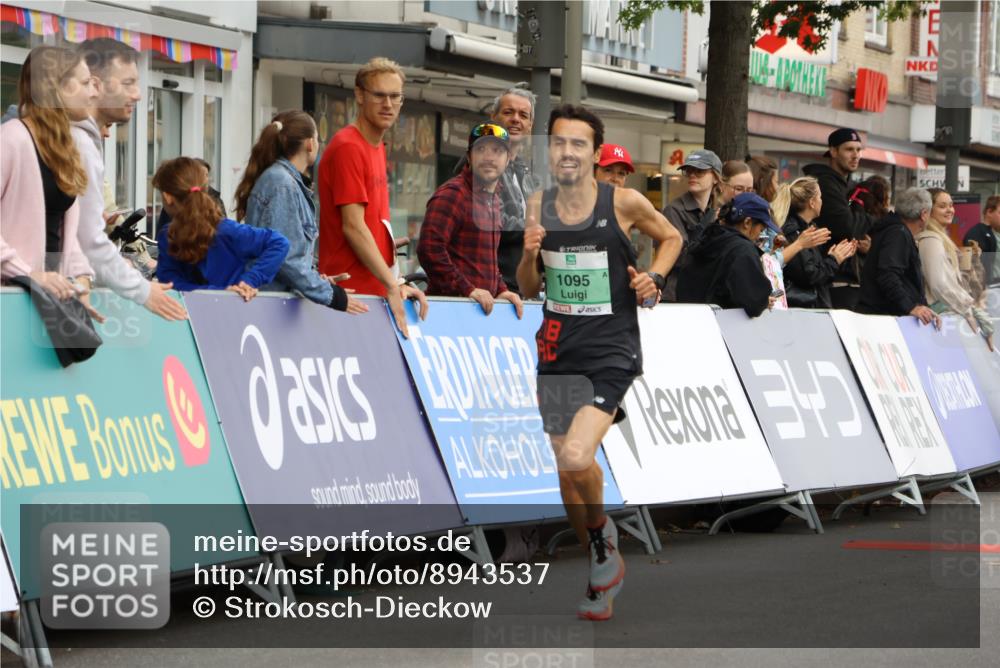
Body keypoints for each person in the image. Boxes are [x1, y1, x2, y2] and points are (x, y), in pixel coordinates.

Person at [517, 104, 682, 621]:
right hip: (556, 348)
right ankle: (598, 544)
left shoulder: (625, 201)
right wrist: (527, 254)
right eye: (559, 142)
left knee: (574, 456)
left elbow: (672, 238)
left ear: (593, 153)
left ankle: (604, 535)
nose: (567, 152)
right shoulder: (537, 204)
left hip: (611, 350)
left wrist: (652, 277)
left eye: (578, 144)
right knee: (567, 473)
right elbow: (527, 287)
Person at [71, 38, 187, 321]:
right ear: (96, 85)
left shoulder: (79, 139)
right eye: (127, 83)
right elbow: (88, 242)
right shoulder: (79, 144)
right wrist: (143, 291)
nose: (137, 94)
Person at [317, 56, 427, 337]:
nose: (388, 104)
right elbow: (353, 227)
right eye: (379, 95)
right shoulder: (348, 146)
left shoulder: (376, 146)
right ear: (360, 96)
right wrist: (392, 284)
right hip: (351, 299)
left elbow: (378, 227)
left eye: (395, 97)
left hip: (373, 296)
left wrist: (398, 281)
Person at [235, 110, 366, 314]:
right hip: (269, 308)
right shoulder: (282, 184)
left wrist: (316, 278)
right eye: (317, 138)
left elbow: (293, 255)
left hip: (274, 304)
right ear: (309, 144)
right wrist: (332, 295)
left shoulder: (284, 181)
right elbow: (286, 258)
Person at [1, 46, 96, 305]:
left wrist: (81, 277)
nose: (94, 93)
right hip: (12, 301)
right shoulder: (11, 139)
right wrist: (29, 274)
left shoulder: (64, 147)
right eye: (86, 83)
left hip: (48, 301)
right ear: (59, 88)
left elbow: (63, 229)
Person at [417, 123, 523, 317]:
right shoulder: (453, 194)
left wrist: (501, 290)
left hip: (476, 314)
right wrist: (467, 289)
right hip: (448, 312)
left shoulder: (494, 199)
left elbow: (487, 262)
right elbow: (429, 250)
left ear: (508, 160)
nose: (489, 157)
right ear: (469, 157)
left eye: (497, 151)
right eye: (481, 149)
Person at [153, 157, 289, 301]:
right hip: (232, 311)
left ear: (167, 197)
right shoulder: (227, 230)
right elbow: (279, 243)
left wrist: (224, 289)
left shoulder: (167, 236)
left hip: (185, 315)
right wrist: (248, 281)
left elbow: (170, 283)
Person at [677, 192, 780, 317]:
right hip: (721, 329)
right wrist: (764, 301)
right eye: (761, 229)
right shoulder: (742, 250)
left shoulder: (707, 238)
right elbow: (755, 302)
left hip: (689, 321)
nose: (760, 235)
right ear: (747, 222)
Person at [803, 128, 872, 310]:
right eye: (849, 149)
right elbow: (846, 227)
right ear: (833, 152)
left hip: (845, 276)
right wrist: (869, 219)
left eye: (858, 150)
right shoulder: (825, 184)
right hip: (833, 279)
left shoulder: (844, 185)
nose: (856, 155)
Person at [919, 188, 993, 350]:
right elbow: (939, 284)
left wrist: (970, 261)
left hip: (942, 317)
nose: (950, 210)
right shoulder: (931, 239)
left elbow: (958, 282)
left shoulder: (941, 238)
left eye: (951, 205)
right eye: (942, 206)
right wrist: (968, 309)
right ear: (928, 210)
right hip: (935, 318)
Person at [856, 188, 940, 328]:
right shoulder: (898, 234)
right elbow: (888, 275)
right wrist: (910, 307)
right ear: (924, 214)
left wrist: (920, 307)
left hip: (884, 317)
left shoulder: (894, 231)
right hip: (882, 321)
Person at [771, 177, 857, 308]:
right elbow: (810, 276)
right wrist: (834, 260)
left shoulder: (807, 229)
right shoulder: (793, 232)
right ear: (812, 202)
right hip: (801, 311)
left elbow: (817, 270)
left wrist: (835, 256)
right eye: (820, 197)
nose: (822, 201)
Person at [660, 148, 722, 301]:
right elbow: (678, 257)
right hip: (677, 296)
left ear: (715, 177)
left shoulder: (718, 211)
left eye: (699, 171)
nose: (692, 175)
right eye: (689, 171)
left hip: (706, 294)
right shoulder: (673, 210)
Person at [964, 195, 1000, 287]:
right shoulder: (975, 234)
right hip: (984, 289)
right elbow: (967, 266)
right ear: (989, 212)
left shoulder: (992, 232)